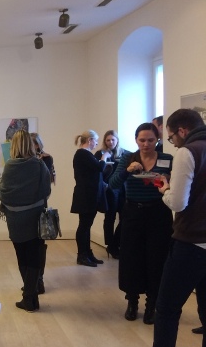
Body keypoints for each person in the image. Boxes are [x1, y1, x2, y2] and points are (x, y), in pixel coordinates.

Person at [118, 108, 206, 347]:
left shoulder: (187, 152)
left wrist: (165, 188)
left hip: (191, 241)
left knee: (167, 310)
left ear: (182, 130)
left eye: (169, 136)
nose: (172, 142)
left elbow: (178, 203)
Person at [109, 122, 173, 324]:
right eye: (142, 140)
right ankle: (132, 302)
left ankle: (151, 304)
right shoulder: (128, 158)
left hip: (158, 212)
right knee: (131, 258)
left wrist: (164, 180)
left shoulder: (167, 159)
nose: (146, 144)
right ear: (136, 140)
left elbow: (175, 185)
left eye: (151, 140)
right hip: (133, 213)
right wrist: (127, 171)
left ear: (158, 139)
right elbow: (113, 184)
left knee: (157, 258)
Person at [0, 130, 51, 312]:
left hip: (15, 218)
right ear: (30, 144)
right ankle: (31, 298)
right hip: (35, 217)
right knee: (34, 256)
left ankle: (29, 298)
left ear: (14, 145)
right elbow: (46, 191)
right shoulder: (39, 165)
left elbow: (3, 192)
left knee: (22, 256)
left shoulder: (10, 166)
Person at [71, 130, 110, 266]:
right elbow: (99, 167)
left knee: (86, 226)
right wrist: (104, 157)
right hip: (86, 196)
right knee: (84, 226)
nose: (97, 143)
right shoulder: (83, 154)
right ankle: (82, 255)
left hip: (89, 195)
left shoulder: (85, 154)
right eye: (96, 140)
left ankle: (87, 253)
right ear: (90, 140)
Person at [95, 130, 130, 259]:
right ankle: (111, 245)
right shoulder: (100, 154)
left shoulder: (125, 153)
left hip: (123, 190)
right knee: (110, 218)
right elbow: (97, 172)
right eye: (108, 140)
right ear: (105, 141)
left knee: (125, 217)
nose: (110, 142)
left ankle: (116, 243)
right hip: (109, 189)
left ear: (117, 140)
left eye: (113, 140)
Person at [31, 132, 55, 293]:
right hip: (27, 205)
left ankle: (39, 279)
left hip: (39, 204)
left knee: (40, 244)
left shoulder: (46, 158)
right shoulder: (24, 160)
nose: (32, 146)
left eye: (34, 143)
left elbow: (45, 183)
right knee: (29, 245)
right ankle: (31, 280)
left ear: (38, 144)